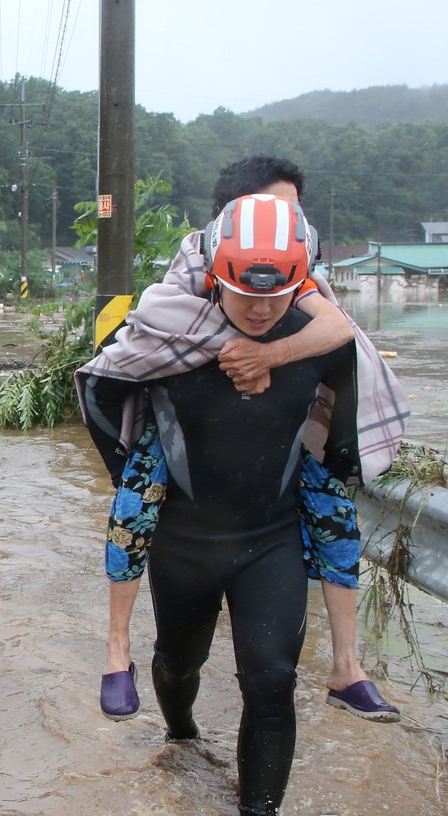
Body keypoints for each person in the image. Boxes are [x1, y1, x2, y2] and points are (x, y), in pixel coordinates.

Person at [86, 156, 406, 726]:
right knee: (135, 504)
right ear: (232, 217)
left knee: (334, 514)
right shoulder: (199, 258)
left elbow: (337, 329)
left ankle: (347, 666)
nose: (290, 222)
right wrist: (226, 350)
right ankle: (117, 652)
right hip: (188, 448)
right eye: (279, 208)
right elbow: (158, 321)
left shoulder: (295, 268)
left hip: (271, 465)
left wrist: (269, 354)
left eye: (294, 213)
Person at [81, 195, 362, 816]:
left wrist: (332, 487)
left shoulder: (317, 344)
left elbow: (346, 429)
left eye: (279, 294)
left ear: (303, 284)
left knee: (272, 677)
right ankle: (181, 737)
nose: (262, 308)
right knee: (179, 662)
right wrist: (131, 484)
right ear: (213, 276)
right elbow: (99, 389)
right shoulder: (166, 342)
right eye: (243, 293)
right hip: (183, 541)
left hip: (270, 538)